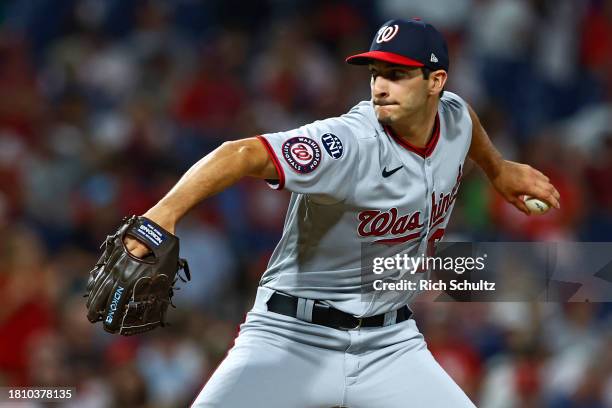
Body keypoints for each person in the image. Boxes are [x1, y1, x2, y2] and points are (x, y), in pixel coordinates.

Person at [126, 19, 560, 407]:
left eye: (397, 74)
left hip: (391, 345)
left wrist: (498, 169)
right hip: (292, 336)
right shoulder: (348, 143)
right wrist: (163, 213)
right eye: (375, 75)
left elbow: (464, 117)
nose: (380, 87)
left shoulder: (453, 116)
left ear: (436, 81)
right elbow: (238, 154)